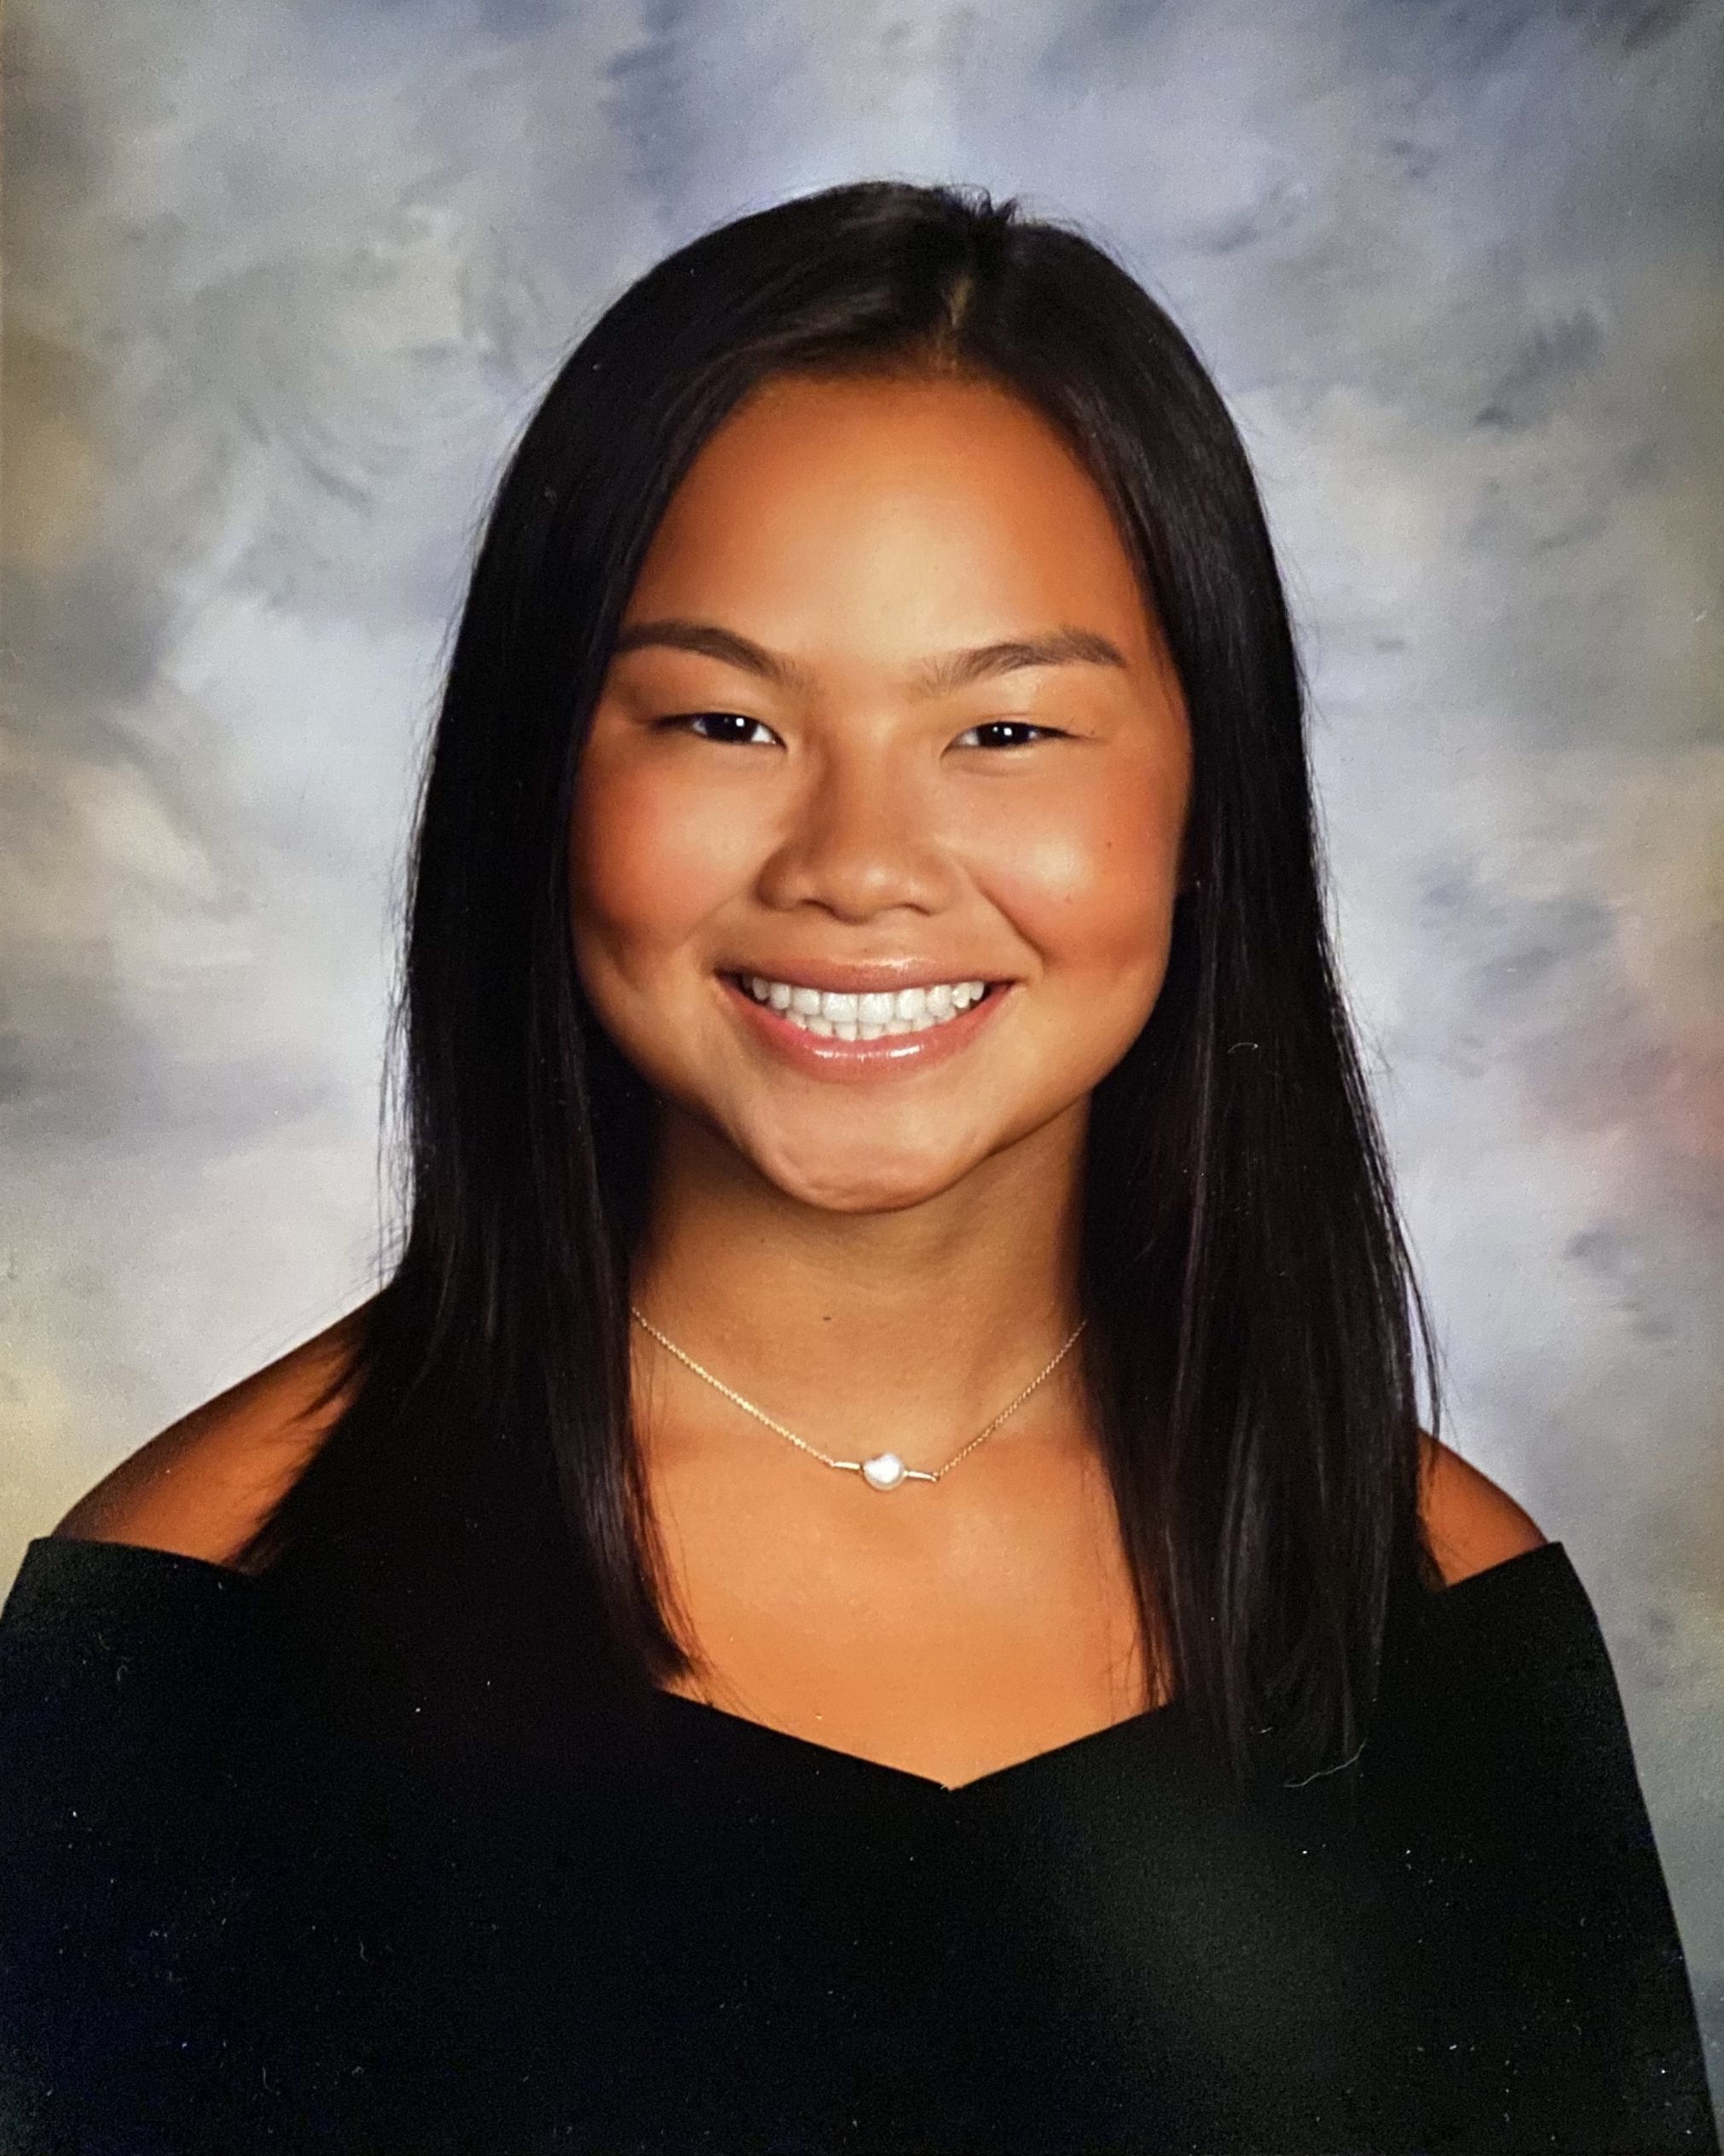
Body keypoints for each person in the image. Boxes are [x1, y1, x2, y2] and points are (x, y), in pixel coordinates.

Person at [0, 179, 1715, 2154]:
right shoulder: (207, 1611)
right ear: (545, 778)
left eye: (1003, 726)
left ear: (1204, 792)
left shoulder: (1434, 1601)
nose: (860, 864)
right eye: (726, 718)